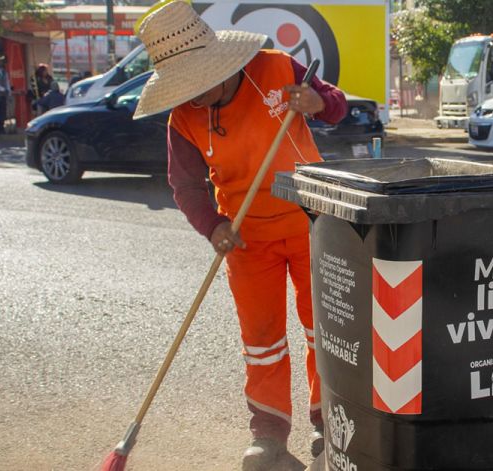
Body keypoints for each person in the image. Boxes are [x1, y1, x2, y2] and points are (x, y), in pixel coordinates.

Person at [132, 1, 347, 469]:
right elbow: (185, 185)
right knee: (263, 339)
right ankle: (269, 437)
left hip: (313, 224)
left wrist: (318, 102)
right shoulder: (183, 119)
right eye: (182, 88)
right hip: (246, 238)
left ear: (220, 64)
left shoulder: (273, 68)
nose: (192, 97)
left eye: (197, 83)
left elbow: (338, 106)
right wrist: (213, 227)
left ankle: (330, 425)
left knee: (324, 331)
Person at [0, 55, 10, 133]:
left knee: (3, 111)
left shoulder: (4, 72)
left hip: (3, 95)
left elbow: (7, 82)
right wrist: (3, 89)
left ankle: (1, 127)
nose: (2, 63)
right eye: (1, 61)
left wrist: (8, 91)